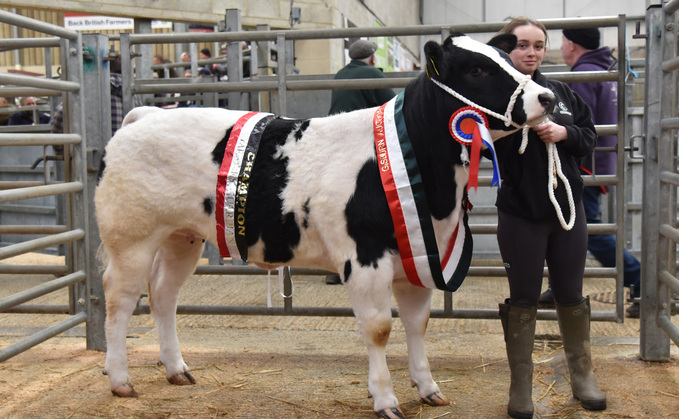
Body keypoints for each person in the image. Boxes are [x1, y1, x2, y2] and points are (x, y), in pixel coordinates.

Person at [492, 17, 606, 418]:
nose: (531, 52)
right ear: (507, 48)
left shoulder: (561, 92)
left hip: (567, 209)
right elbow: (473, 144)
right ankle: (521, 385)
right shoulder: (492, 98)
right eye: (522, 45)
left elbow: (589, 137)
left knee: (570, 293)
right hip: (522, 211)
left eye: (538, 45)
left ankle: (582, 375)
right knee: (523, 297)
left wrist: (564, 134)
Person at [533, 28, 643, 318]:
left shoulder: (582, 76)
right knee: (567, 227)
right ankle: (559, 285)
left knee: (586, 230)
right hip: (599, 162)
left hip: (583, 164)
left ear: (570, 44)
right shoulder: (601, 70)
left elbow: (578, 124)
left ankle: (639, 277)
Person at [324, 39, 396, 285]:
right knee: (368, 207)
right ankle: (369, 262)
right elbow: (393, 107)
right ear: (373, 58)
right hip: (364, 149)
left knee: (339, 208)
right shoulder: (372, 73)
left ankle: (337, 266)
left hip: (336, 147)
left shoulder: (340, 75)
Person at [327, 39, 396, 115]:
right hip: (357, 124)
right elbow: (394, 104)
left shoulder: (340, 73)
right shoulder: (372, 73)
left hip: (334, 123)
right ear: (373, 59)